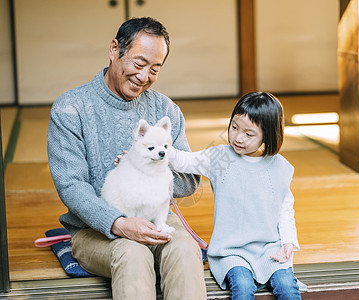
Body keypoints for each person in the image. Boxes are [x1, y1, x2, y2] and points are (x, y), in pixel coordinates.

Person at [47, 17, 207, 300]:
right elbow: (71, 186)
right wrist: (118, 222)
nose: (144, 76)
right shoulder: (71, 108)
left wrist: (153, 164)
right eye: (139, 63)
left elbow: (190, 181)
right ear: (114, 49)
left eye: (155, 69)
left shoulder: (165, 109)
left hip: (156, 218)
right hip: (95, 229)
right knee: (133, 254)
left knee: (184, 249)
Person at [168, 92, 302, 299]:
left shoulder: (279, 167)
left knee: (287, 288)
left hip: (269, 248)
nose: (238, 137)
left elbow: (285, 211)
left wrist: (288, 242)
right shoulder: (222, 158)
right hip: (232, 250)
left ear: (268, 135)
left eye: (249, 134)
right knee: (242, 286)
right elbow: (184, 161)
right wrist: (159, 147)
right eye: (234, 127)